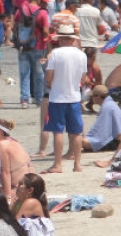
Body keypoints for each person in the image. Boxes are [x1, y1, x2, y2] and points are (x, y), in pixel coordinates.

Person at [41, 25, 88, 174]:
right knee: (76, 132)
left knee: (58, 131)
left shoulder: (55, 54)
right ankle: (78, 164)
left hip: (57, 97)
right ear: (72, 39)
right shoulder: (81, 55)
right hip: (74, 97)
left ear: (60, 39)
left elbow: (49, 77)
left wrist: (51, 83)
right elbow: (83, 78)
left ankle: (58, 164)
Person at [13, 0, 48, 109]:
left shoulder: (20, 10)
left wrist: (18, 40)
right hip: (38, 47)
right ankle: (39, 100)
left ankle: (24, 100)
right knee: (39, 74)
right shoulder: (42, 13)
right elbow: (45, 31)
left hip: (23, 46)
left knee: (24, 73)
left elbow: (15, 26)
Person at [0, 119, 33, 203]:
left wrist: (8, 198)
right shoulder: (14, 141)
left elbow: (5, 172)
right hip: (29, 187)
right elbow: (30, 165)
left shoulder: (1, 145)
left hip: (19, 190)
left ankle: (10, 195)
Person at [80, 84, 121, 152]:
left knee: (80, 140)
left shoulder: (107, 107)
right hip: (119, 139)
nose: (91, 98)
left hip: (116, 142)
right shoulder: (110, 104)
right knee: (83, 135)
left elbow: (102, 132)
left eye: (93, 96)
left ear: (98, 97)